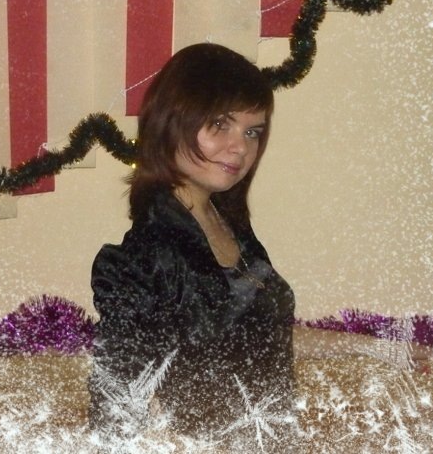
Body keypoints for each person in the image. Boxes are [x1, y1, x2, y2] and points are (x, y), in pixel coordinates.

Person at [89, 43, 297, 445]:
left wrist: (383, 350)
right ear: (172, 123)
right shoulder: (143, 259)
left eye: (252, 132)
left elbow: (262, 336)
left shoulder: (233, 231)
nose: (241, 147)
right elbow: (116, 412)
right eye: (220, 124)